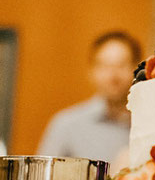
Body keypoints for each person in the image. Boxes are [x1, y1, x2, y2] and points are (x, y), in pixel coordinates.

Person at [38, 31, 141, 166]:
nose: (113, 75)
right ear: (92, 71)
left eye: (121, 65)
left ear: (137, 70)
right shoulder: (65, 125)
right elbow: (44, 179)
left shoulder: (150, 124)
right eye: (105, 66)